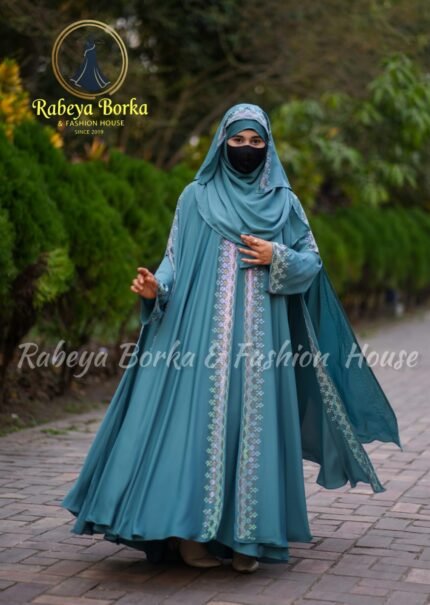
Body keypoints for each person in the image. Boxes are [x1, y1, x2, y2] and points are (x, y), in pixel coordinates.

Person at [61, 103, 402, 574]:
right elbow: (174, 259)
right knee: (198, 428)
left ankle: (249, 539)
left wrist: (278, 255)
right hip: (200, 339)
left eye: (256, 141)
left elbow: (312, 261)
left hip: (263, 345)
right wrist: (157, 288)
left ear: (268, 146)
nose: (246, 149)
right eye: (237, 140)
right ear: (222, 144)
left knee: (253, 428)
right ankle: (190, 537)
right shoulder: (195, 197)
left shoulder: (284, 202)